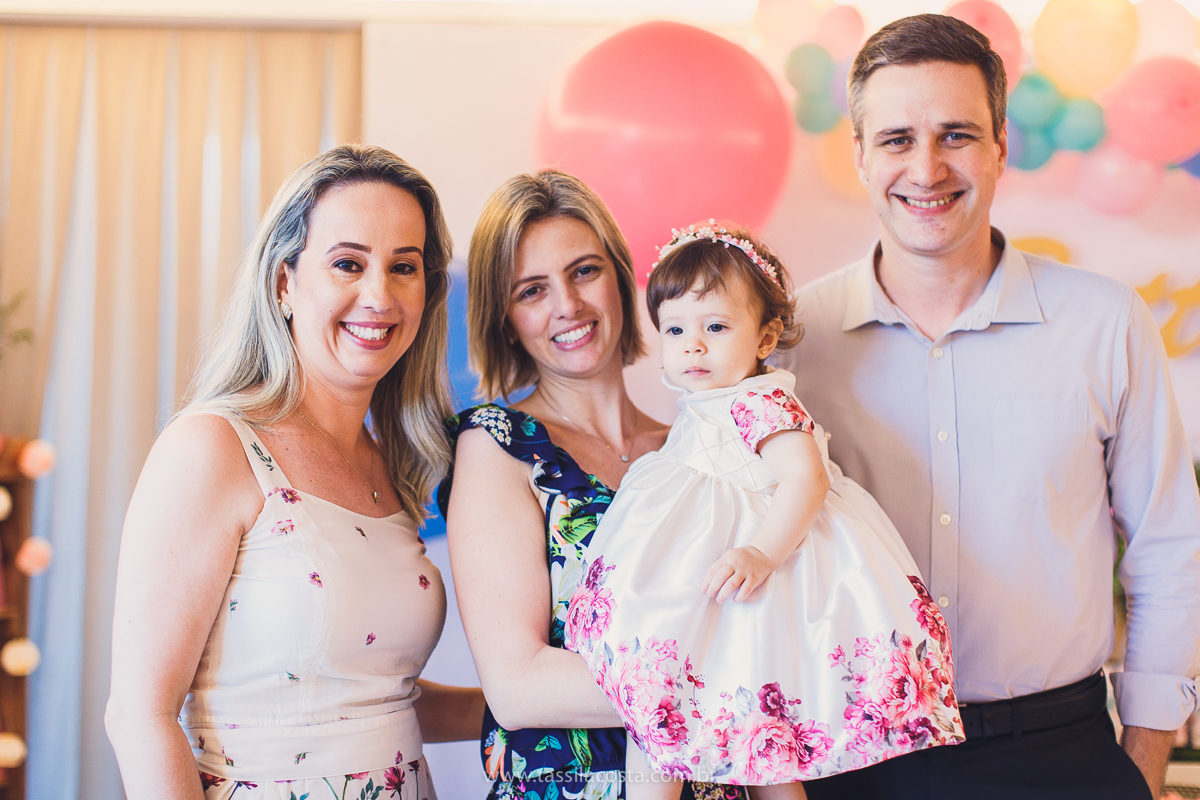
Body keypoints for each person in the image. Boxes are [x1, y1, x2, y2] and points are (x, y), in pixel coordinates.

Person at [775, 15, 1200, 800]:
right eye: (898, 138)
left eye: (957, 135)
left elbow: (1170, 549)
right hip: (853, 754)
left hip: (1061, 756)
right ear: (861, 154)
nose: (928, 168)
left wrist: (1140, 762)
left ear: (1002, 144)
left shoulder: (1105, 323)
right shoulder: (794, 340)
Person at [105, 144, 484, 800]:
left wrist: (569, 702)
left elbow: (370, 702)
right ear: (284, 282)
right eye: (348, 263)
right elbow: (140, 715)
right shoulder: (215, 448)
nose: (379, 295)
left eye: (404, 267)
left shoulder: (389, 465)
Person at [566, 223, 963, 800]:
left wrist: (761, 551)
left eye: (716, 327)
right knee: (669, 711)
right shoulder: (703, 406)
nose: (693, 345)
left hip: (756, 577)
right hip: (703, 585)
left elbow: (807, 477)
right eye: (675, 329)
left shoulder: (760, 400)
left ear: (765, 335)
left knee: (754, 735)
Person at [439, 171, 746, 800]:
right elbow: (518, 686)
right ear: (505, 318)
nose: (568, 307)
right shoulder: (498, 447)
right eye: (531, 290)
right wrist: (750, 682)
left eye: (584, 271)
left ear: (621, 275)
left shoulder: (701, 442)